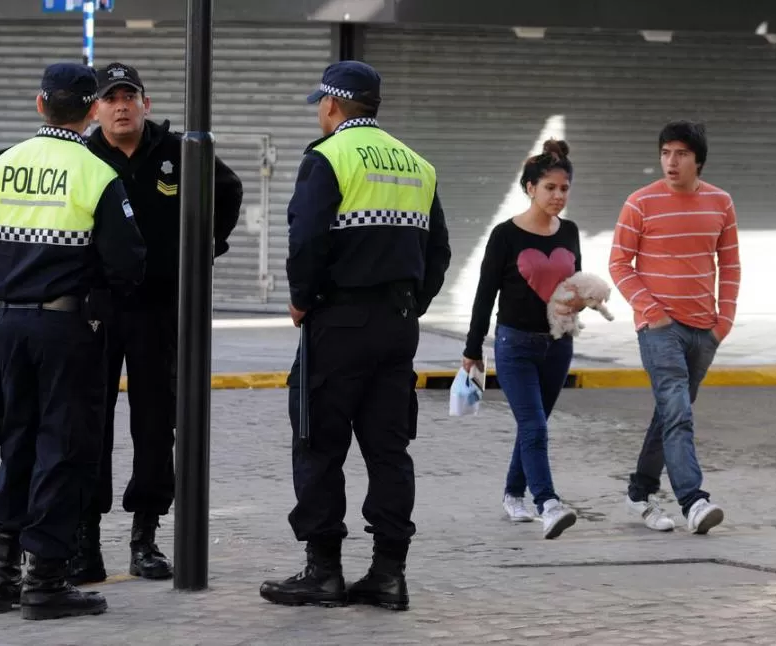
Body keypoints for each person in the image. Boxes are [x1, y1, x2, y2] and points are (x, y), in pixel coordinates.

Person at [258, 60, 451, 612]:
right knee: (389, 450)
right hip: (397, 327)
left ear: (332, 105)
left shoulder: (327, 158)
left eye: (321, 102)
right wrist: (413, 304)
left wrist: (300, 300)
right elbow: (437, 252)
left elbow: (308, 241)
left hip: (339, 324)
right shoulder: (417, 165)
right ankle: (389, 575)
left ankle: (323, 573)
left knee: (318, 443)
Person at [0, 63, 147, 620]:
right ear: (91, 108)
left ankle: (2, 574)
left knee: (16, 440)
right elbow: (128, 262)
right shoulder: (96, 172)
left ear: (40, 103)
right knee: (64, 446)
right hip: (68, 328)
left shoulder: (3, 165)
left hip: (12, 324)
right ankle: (45, 579)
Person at [67, 62, 243, 585]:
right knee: (89, 424)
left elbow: (228, 191)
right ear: (94, 109)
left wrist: (202, 251)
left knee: (154, 423)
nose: (121, 106)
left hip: (157, 310)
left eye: (130, 96)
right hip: (96, 308)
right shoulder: (83, 155)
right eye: (110, 98)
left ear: (145, 102)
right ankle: (85, 539)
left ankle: (145, 537)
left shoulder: (178, 152)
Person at [609, 121, 740, 535]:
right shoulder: (639, 203)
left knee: (670, 413)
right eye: (666, 152)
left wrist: (724, 322)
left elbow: (730, 265)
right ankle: (693, 500)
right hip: (659, 328)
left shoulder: (721, 202)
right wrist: (652, 312)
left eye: (681, 153)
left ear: (697, 160)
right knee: (678, 412)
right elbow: (618, 264)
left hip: (705, 331)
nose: (671, 161)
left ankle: (639, 492)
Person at [462, 140, 583, 540]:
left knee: (535, 425)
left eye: (564, 188)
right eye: (550, 187)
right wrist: (472, 348)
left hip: (558, 344)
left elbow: (573, 281)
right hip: (515, 344)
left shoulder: (570, 232)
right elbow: (485, 294)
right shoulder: (504, 235)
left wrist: (581, 301)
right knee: (534, 426)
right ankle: (548, 503)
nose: (558, 196)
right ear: (530, 187)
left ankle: (513, 493)